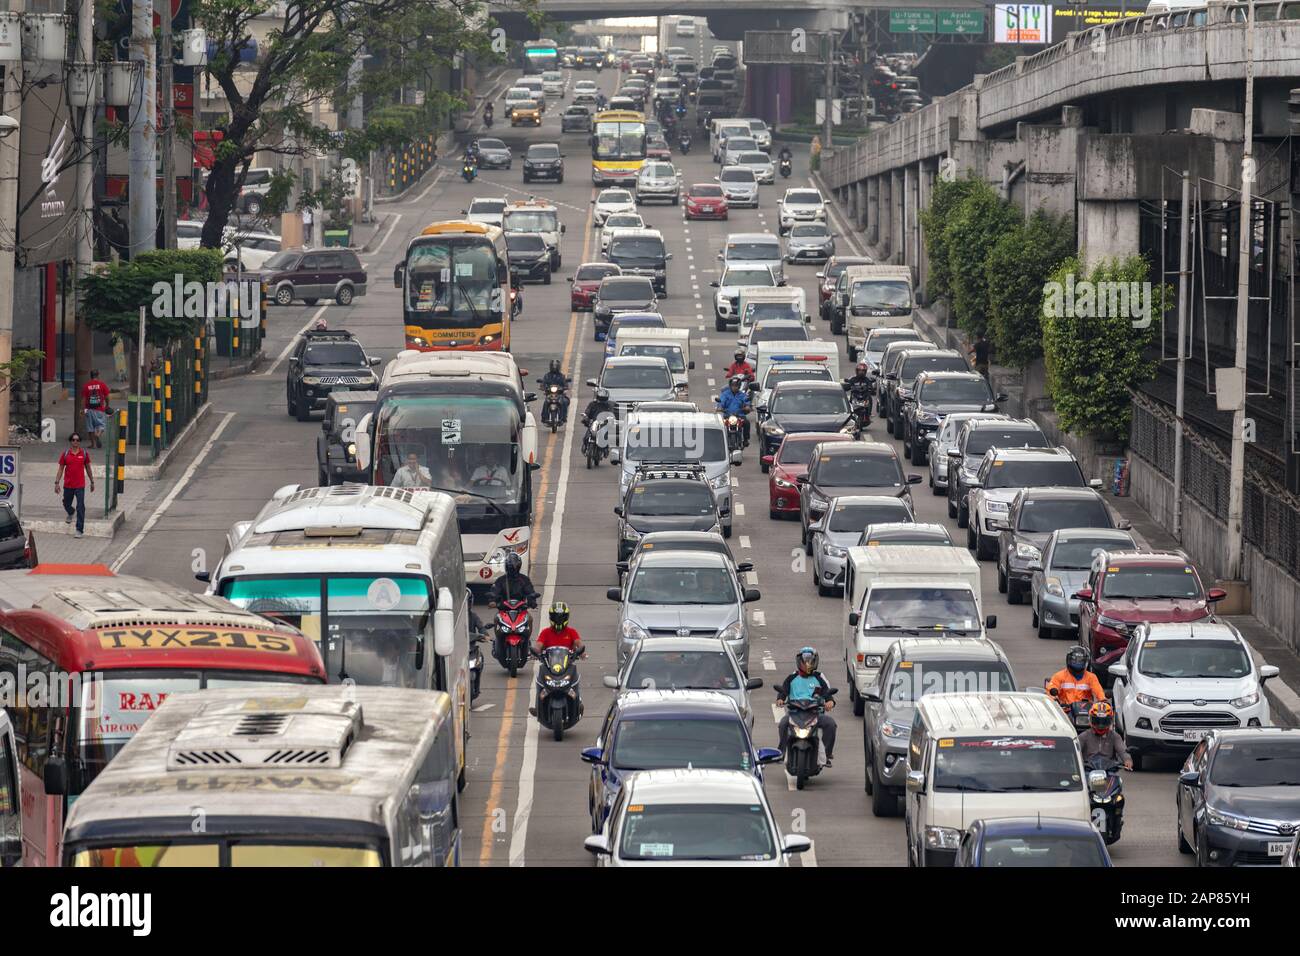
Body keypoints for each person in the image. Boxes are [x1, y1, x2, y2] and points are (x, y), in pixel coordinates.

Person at [775, 647, 837, 766]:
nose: (808, 664)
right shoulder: (792, 678)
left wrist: (830, 702)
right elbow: (783, 691)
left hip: (815, 713)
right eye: (805, 661)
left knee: (830, 724)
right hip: (794, 713)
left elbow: (827, 693)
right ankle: (781, 753)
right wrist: (780, 699)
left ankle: (826, 754)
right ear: (799, 662)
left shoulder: (819, 678)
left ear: (815, 662)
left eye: (811, 661)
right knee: (783, 723)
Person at [54, 433, 95, 538]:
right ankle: (71, 512)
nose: (75, 442)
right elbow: (60, 469)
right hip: (68, 484)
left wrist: (92, 482)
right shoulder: (65, 454)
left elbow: (88, 468)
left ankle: (79, 530)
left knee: (81, 506)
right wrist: (57, 483)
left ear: (79, 442)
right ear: (70, 441)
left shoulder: (84, 454)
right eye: (73, 440)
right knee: (66, 502)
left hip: (80, 485)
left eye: (77, 440)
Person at [1079, 700, 1133, 769]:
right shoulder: (1084, 736)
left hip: (1110, 771)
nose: (1100, 725)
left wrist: (1127, 760)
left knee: (1118, 780)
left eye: (1104, 722)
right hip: (1088, 771)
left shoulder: (1115, 736)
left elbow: (1122, 750)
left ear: (1110, 721)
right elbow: (1075, 753)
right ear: (1090, 720)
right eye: (1097, 721)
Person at [715, 375, 753, 447]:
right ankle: (721, 441)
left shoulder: (742, 395)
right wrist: (719, 407)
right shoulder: (725, 394)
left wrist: (747, 407)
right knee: (720, 426)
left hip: (740, 415)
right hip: (727, 416)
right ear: (730, 386)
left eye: (736, 386)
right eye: (733, 385)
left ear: (739, 386)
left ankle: (746, 440)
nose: (734, 387)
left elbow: (747, 402)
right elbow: (721, 402)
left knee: (747, 423)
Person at [581, 387, 615, 456]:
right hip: (594, 423)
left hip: (604, 424)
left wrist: (610, 419)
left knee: (605, 436)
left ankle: (605, 449)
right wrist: (585, 417)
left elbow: (612, 414)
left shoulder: (609, 405)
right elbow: (587, 412)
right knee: (586, 436)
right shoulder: (592, 404)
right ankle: (585, 447)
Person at [81, 369, 111, 449]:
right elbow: (107, 397)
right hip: (99, 409)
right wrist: (107, 405)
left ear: (90, 376)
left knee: (90, 427)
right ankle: (98, 434)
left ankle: (93, 444)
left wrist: (82, 410)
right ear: (98, 375)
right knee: (101, 425)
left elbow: (83, 399)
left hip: (89, 409)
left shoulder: (86, 385)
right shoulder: (102, 384)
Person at [540, 359, 570, 425]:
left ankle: (563, 418)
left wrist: (565, 389)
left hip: (559, 394)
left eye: (556, 366)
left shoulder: (562, 376)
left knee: (564, 402)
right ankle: (544, 418)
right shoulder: (547, 376)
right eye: (553, 366)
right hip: (549, 394)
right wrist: (542, 387)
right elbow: (543, 384)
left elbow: (565, 384)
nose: (554, 368)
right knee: (546, 402)